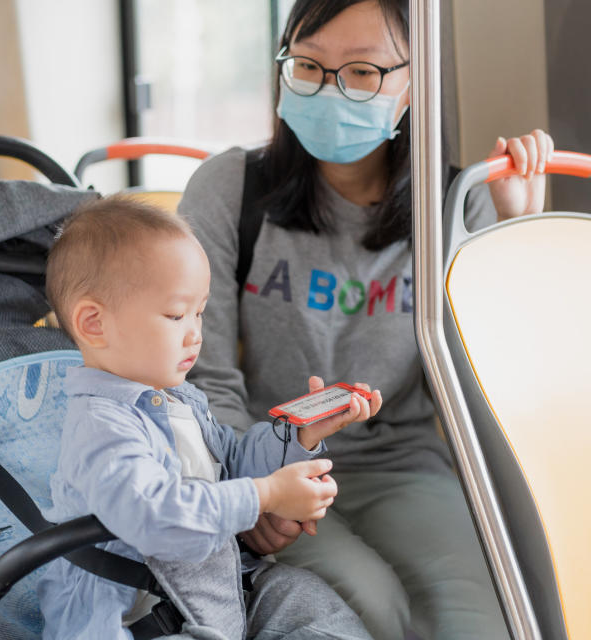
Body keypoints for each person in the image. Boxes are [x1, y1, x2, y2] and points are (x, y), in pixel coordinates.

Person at [177, 1, 555, 638]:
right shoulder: (228, 191)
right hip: (273, 459)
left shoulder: (452, 207)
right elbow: (203, 374)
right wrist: (251, 487)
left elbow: (497, 384)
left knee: (483, 623)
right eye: (308, 66)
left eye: (361, 73)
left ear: (416, 83)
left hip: (401, 462)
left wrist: (516, 229)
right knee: (373, 609)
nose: (330, 90)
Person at [36, 195, 381, 640]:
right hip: (141, 619)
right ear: (94, 324)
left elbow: (231, 463)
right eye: (177, 315)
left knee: (308, 600)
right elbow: (156, 516)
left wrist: (299, 434)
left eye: (200, 312)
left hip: (221, 594)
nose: (196, 333)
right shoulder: (101, 426)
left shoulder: (180, 399)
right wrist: (265, 495)